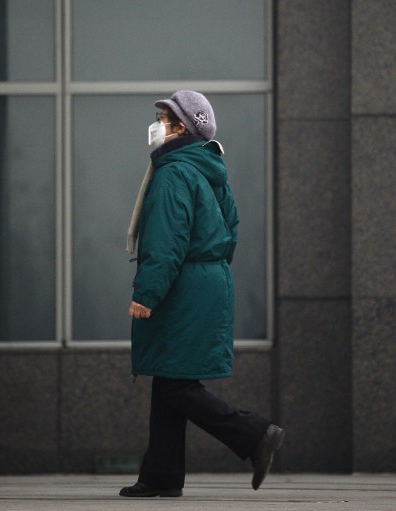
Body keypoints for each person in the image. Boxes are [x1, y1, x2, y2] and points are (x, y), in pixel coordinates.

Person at [121, 90, 285, 498]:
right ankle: (160, 475)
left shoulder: (174, 171)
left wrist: (148, 293)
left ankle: (254, 434)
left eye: (163, 117)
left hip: (182, 286)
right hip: (207, 280)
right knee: (170, 376)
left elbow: (165, 240)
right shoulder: (210, 169)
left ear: (182, 128)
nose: (156, 125)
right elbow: (230, 230)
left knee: (177, 385)